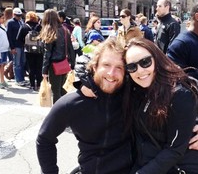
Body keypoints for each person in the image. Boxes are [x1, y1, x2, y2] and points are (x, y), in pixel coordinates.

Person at [36, 39, 134, 174]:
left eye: (119, 67)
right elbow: (45, 139)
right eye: (106, 65)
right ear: (95, 67)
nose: (111, 73)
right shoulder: (72, 103)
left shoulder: (133, 95)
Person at [124, 37, 198, 174]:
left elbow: (175, 149)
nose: (139, 70)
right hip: (145, 163)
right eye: (132, 67)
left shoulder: (178, 94)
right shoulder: (136, 89)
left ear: (157, 59)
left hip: (171, 168)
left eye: (145, 62)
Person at [40, 9, 75, 103]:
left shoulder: (50, 31)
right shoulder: (65, 30)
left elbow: (47, 53)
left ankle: (58, 113)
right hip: (64, 63)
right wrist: (72, 64)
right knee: (62, 89)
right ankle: (64, 109)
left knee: (56, 92)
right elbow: (70, 48)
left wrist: (44, 70)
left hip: (54, 65)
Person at [16, 11, 43, 91]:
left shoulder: (24, 26)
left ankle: (32, 85)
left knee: (31, 67)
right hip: (39, 50)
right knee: (39, 67)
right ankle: (38, 84)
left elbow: (18, 38)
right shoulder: (39, 27)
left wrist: (25, 43)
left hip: (28, 50)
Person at [6, 7, 28, 86]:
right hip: (15, 45)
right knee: (17, 63)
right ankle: (18, 80)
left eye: (20, 15)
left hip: (22, 45)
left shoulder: (21, 22)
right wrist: (12, 47)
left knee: (22, 62)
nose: (19, 17)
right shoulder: (10, 23)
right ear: (13, 15)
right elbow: (9, 35)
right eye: (17, 15)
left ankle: (21, 78)